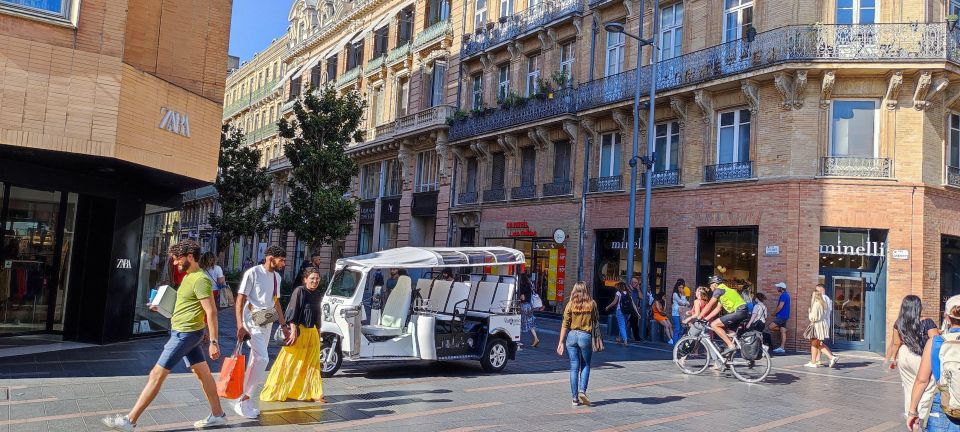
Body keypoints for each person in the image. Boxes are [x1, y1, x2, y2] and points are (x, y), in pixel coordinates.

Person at [102, 240, 226, 431]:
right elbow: (185, 305)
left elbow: (211, 311)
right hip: (187, 332)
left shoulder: (200, 279)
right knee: (203, 373)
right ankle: (218, 414)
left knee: (156, 374)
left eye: (177, 259)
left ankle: (129, 421)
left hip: (185, 335)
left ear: (190, 257)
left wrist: (214, 341)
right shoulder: (188, 277)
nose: (175, 263)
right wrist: (159, 306)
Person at [234, 245, 289, 419]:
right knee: (263, 358)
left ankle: (244, 399)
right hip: (251, 320)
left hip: (267, 319)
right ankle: (244, 398)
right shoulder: (253, 273)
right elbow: (240, 300)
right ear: (270, 258)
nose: (283, 263)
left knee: (255, 359)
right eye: (281, 259)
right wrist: (239, 326)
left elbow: (276, 302)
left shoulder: (276, 278)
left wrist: (284, 325)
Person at [260, 267, 327, 403]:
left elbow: (318, 315)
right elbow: (292, 311)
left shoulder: (318, 294)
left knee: (312, 364)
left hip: (312, 333)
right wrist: (293, 328)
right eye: (312, 278)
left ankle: (314, 393)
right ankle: (278, 391)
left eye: (317, 279)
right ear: (305, 279)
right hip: (299, 332)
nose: (315, 281)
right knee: (290, 362)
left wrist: (319, 331)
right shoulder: (300, 291)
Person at [908, 295, 960, 432]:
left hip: (945, 406)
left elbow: (922, 380)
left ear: (946, 317)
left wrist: (912, 412)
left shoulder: (936, 342)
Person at [885, 295, 939, 429]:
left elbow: (896, 344)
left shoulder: (899, 323)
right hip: (922, 357)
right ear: (918, 307)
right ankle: (921, 415)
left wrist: (892, 359)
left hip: (904, 356)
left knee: (909, 387)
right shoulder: (927, 322)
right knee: (927, 386)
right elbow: (936, 342)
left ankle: (910, 414)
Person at [557, 282, 598, 407]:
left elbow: (565, 323)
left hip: (572, 336)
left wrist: (560, 342)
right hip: (585, 336)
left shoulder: (570, 304)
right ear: (586, 290)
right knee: (585, 364)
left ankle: (575, 398)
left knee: (574, 366)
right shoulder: (592, 304)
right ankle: (582, 391)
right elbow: (596, 321)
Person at [694, 276, 749, 356]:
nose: (710, 286)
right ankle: (727, 361)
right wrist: (706, 318)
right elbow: (718, 308)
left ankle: (731, 346)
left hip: (738, 311)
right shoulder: (725, 291)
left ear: (715, 284)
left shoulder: (719, 290)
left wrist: (699, 316)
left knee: (714, 324)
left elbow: (709, 305)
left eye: (711, 284)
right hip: (742, 312)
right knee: (727, 333)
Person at [804, 285, 838, 368]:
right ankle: (816, 360)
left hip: (817, 325)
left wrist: (809, 313)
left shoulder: (817, 304)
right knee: (817, 343)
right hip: (823, 324)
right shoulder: (824, 303)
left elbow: (813, 317)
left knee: (815, 343)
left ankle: (830, 357)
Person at [518, 272, 541, 348]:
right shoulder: (530, 285)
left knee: (520, 323)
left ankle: (517, 341)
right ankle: (536, 338)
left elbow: (522, 297)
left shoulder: (522, 286)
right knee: (530, 323)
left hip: (524, 306)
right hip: (529, 306)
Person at [770, 282, 790, 354]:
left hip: (781, 316)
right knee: (782, 331)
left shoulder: (784, 295)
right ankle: (782, 348)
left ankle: (784, 330)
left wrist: (774, 313)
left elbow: (780, 306)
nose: (777, 288)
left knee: (770, 327)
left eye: (778, 287)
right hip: (785, 316)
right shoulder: (786, 295)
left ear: (781, 288)